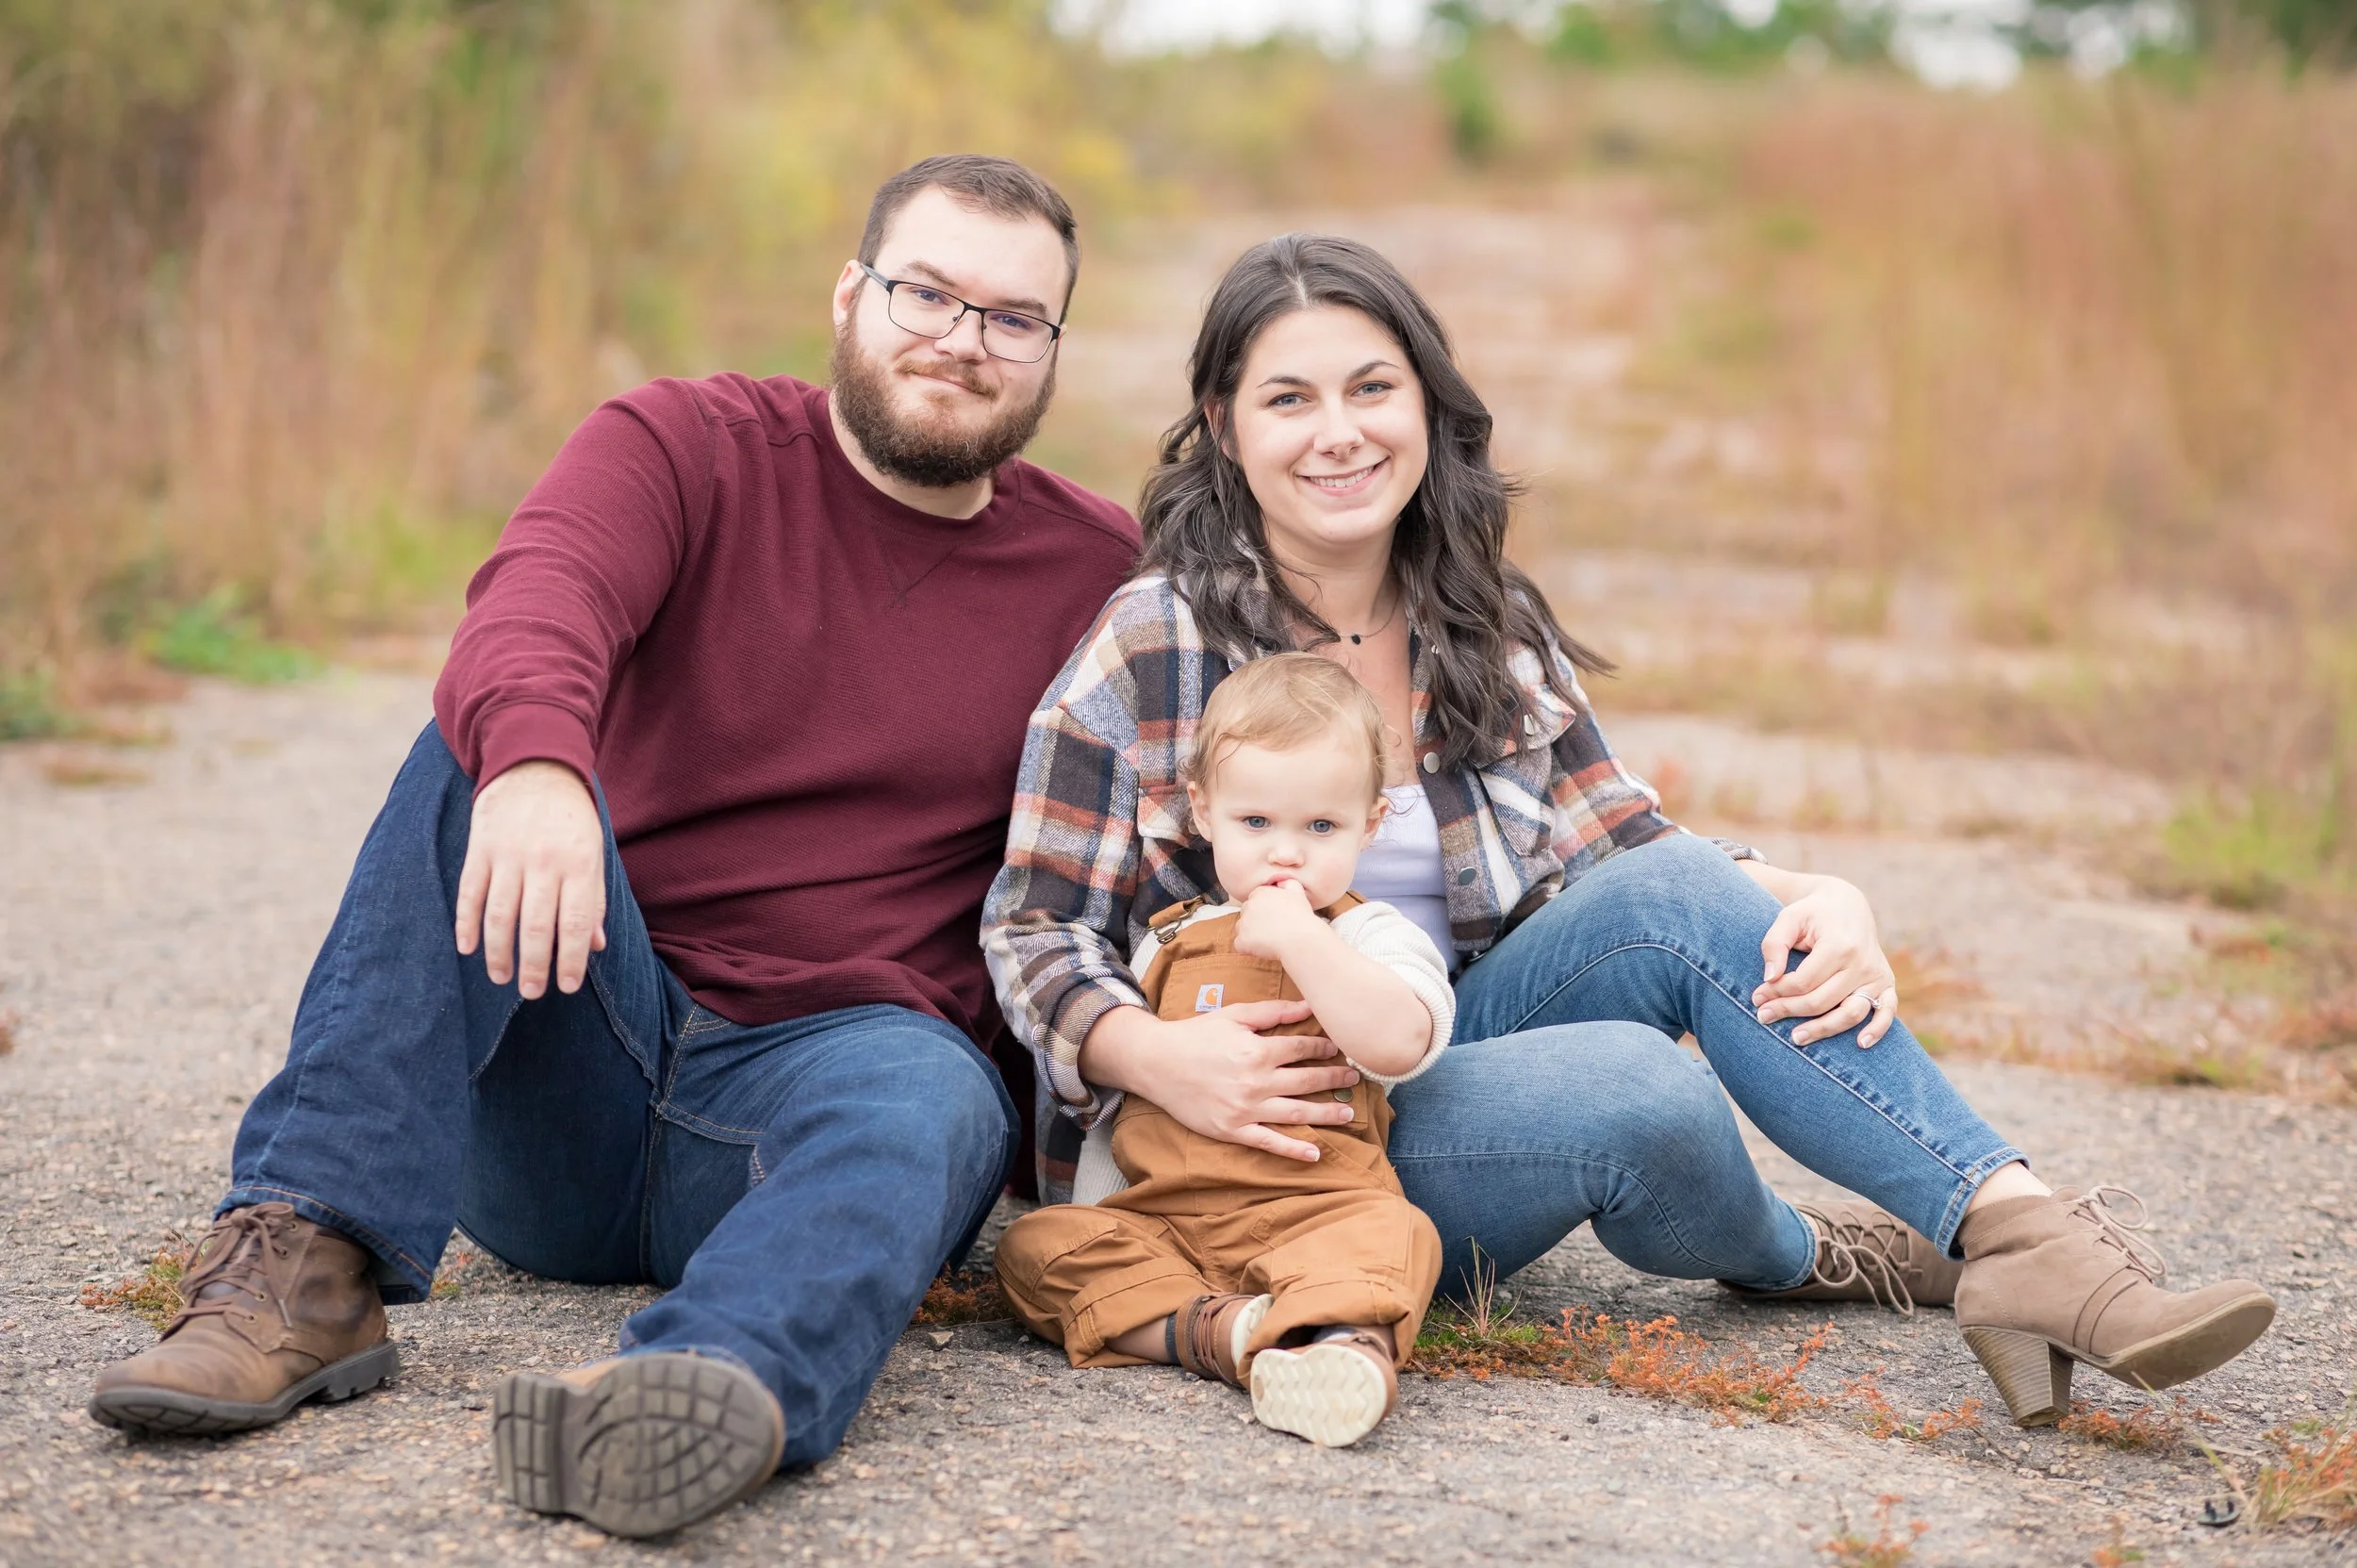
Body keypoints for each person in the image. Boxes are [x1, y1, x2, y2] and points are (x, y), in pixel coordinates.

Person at [982, 232, 2276, 1432]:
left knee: (1683, 901)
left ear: (1427, 404)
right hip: (1262, 1143)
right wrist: (1152, 1050)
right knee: (1637, 1092)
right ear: (1223, 424)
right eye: (1289, 398)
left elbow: (1632, 850)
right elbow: (1033, 919)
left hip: (1428, 1052)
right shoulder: (1155, 641)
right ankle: (1806, 1254)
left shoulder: (1478, 620)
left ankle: (2024, 1235)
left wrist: (1816, 888)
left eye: (1373, 388)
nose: (1339, 433)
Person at [88, 155, 1142, 1540]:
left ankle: (701, 1387)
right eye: (926, 292)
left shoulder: (1096, 572)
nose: (961, 338)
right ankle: (305, 1262)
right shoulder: (685, 445)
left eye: (1013, 316)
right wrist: (536, 762)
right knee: (474, 742)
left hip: (833, 1084)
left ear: (1053, 350)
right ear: (850, 293)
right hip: (580, 1037)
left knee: (939, 1094)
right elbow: (541, 596)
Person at [996, 653, 1453, 1448]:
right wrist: (1102, 1207)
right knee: (1038, 1247)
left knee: (1396, 1235)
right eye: (1256, 823)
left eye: (1321, 827)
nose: (1286, 854)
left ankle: (1349, 1353)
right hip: (1166, 1217)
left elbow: (1402, 1039)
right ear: (1202, 812)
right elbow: (1125, 1106)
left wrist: (1306, 942)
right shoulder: (1167, 940)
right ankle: (1229, 1332)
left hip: (1315, 1209)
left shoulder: (1366, 933)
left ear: (1370, 824)